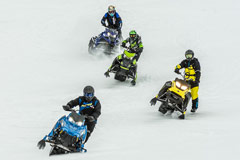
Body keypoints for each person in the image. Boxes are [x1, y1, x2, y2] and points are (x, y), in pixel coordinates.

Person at [37, 86, 101, 151]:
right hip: (80, 117)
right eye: (87, 94)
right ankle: (54, 135)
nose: (89, 97)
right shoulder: (81, 99)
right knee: (65, 121)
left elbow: (98, 111)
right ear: (84, 94)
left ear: (93, 94)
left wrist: (93, 117)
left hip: (90, 120)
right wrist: (68, 105)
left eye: (90, 94)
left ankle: (80, 144)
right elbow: (74, 102)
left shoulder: (96, 102)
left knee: (87, 131)